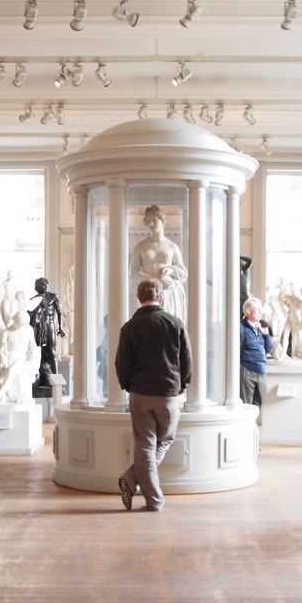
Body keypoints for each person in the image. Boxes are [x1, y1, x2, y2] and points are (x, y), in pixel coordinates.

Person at [115, 279, 191, 512]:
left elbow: (121, 363)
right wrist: (181, 385)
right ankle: (148, 495)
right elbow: (186, 360)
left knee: (145, 446)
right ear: (162, 297)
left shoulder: (130, 327)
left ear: (139, 298)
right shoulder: (175, 323)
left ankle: (136, 482)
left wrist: (128, 386)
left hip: (140, 393)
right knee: (165, 440)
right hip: (168, 394)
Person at [130, 205, 188, 322]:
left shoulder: (172, 246)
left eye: (154, 220)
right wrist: (156, 280)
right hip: (149, 292)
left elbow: (183, 273)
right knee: (149, 323)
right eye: (148, 221)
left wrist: (170, 270)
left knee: (170, 323)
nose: (151, 224)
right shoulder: (141, 246)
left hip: (169, 289)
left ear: (162, 221)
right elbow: (133, 273)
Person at [28, 277, 65, 396]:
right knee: (38, 352)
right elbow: (30, 317)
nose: (44, 287)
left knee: (51, 351)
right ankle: (39, 376)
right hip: (38, 328)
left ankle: (56, 377)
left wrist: (61, 328)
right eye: (42, 285)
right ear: (37, 287)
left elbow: (60, 313)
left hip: (50, 326)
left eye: (45, 284)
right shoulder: (34, 300)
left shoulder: (52, 297)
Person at [240, 296, 273, 414]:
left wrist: (266, 334)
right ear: (248, 310)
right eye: (258, 309)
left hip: (261, 370)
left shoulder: (260, 328)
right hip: (247, 370)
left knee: (262, 403)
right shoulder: (241, 328)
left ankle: (257, 425)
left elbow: (269, 349)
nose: (260, 312)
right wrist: (241, 369)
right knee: (246, 404)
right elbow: (236, 350)